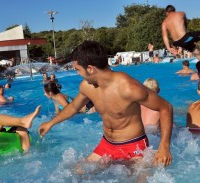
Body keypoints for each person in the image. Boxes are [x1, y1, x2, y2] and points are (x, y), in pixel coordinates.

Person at [38, 41, 173, 168]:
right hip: (107, 144)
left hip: (134, 146)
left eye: (78, 69)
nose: (78, 73)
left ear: (90, 69)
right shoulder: (87, 87)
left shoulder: (128, 88)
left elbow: (165, 107)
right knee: (75, 173)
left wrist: (164, 147)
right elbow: (73, 107)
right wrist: (50, 123)